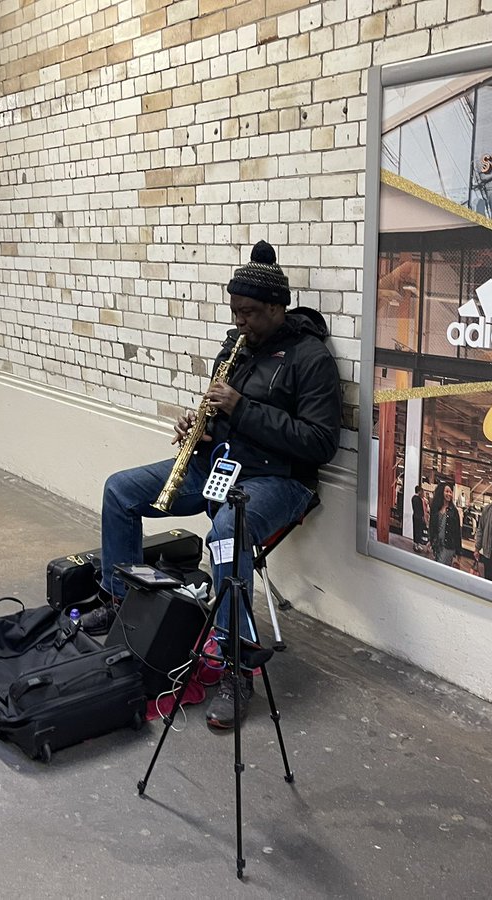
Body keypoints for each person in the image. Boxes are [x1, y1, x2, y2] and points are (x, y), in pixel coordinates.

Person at [82, 240, 342, 730]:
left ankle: (233, 669)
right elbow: (224, 416)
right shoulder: (236, 347)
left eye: (248, 313)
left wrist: (241, 407)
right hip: (218, 462)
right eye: (234, 312)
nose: (239, 322)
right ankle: (117, 600)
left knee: (225, 536)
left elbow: (319, 443)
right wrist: (202, 427)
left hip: (279, 480)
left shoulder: (311, 359)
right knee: (120, 489)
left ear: (275, 308)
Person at [429, 481, 462, 567]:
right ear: (441, 492)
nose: (449, 494)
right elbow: (432, 525)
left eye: (451, 492)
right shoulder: (435, 508)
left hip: (448, 546)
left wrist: (458, 551)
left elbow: (457, 531)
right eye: (447, 491)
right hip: (437, 545)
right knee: (436, 566)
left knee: (441, 567)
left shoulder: (454, 511)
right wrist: (431, 539)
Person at [410, 480, 433, 556]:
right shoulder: (419, 499)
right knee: (419, 530)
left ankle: (415, 544)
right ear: (419, 491)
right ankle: (417, 544)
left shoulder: (413, 498)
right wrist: (423, 517)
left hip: (414, 516)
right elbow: (421, 509)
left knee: (415, 530)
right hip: (419, 517)